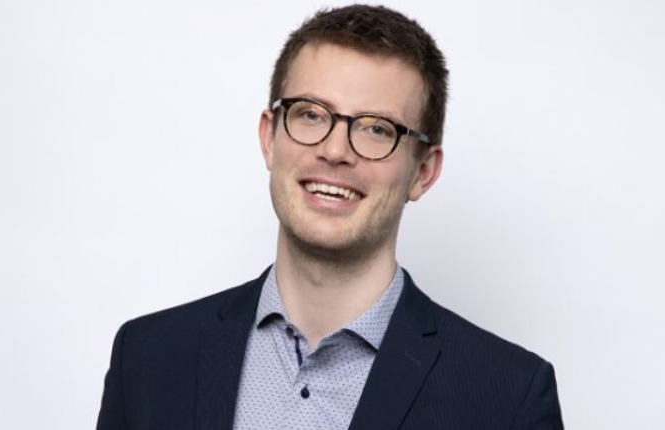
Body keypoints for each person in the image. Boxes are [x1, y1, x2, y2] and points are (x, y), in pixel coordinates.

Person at [96, 5, 563, 429]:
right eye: (311, 115)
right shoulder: (147, 358)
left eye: (377, 129)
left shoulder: (509, 399)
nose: (335, 151)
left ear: (423, 172)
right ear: (269, 137)